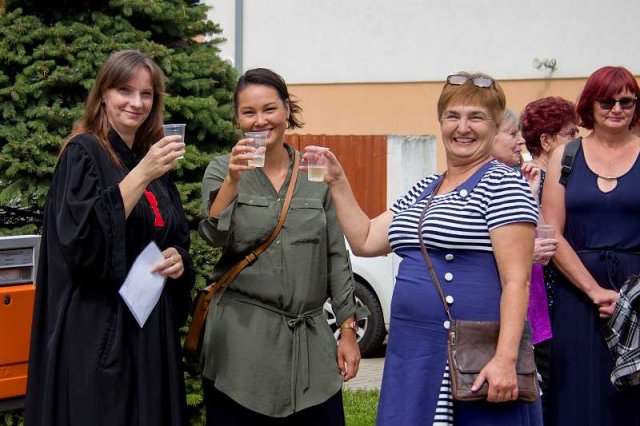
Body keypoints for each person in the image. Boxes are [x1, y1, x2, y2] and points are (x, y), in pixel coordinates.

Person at [307, 72, 542, 425]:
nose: (463, 127)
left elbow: (517, 281)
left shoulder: (504, 184)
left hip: (472, 358)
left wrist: (505, 359)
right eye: (453, 116)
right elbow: (366, 239)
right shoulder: (426, 187)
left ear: (495, 126)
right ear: (441, 122)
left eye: (476, 117)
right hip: (413, 352)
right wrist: (338, 182)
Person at [25, 50, 194, 426]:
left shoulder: (148, 160)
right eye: (124, 91)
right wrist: (143, 174)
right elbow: (81, 245)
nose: (137, 102)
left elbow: (175, 234)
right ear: (103, 94)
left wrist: (178, 258)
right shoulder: (83, 153)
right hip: (100, 334)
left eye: (146, 94)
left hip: (149, 331)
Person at [198, 68, 366, 425]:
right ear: (237, 118)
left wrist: (348, 331)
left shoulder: (314, 172)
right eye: (248, 112)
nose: (260, 121)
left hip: (310, 345)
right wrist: (232, 181)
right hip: (241, 347)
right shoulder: (222, 170)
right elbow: (212, 236)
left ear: (287, 110)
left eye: (270, 109)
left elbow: (336, 254)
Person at [542, 66, 640, 426]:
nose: (617, 109)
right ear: (590, 105)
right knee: (576, 394)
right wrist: (594, 291)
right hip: (576, 294)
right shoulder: (565, 156)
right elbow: (551, 232)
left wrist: (630, 295)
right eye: (607, 101)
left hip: (637, 294)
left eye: (626, 101)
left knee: (632, 398)